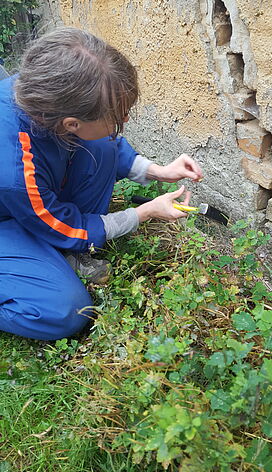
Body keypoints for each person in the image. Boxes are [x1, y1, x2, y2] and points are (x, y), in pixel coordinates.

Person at [0, 27, 203, 341]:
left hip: (25, 204)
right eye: (118, 118)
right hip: (8, 215)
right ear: (71, 124)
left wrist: (159, 171)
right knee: (65, 310)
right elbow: (59, 223)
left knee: (102, 146)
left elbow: (108, 145)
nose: (125, 122)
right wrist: (144, 213)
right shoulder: (14, 167)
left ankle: (62, 254)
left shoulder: (40, 93)